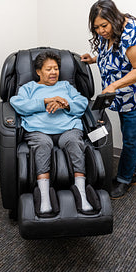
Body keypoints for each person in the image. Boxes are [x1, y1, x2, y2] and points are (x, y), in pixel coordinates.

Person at [81, 0, 136, 199]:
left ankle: (124, 180)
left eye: (104, 26)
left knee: (131, 139)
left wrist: (112, 85)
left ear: (113, 18)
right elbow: (117, 55)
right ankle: (133, 173)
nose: (101, 31)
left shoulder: (135, 34)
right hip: (124, 95)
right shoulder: (111, 31)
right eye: (96, 28)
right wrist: (95, 59)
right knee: (130, 135)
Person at [10, 51, 93, 214]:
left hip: (67, 128)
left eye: (56, 68)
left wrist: (66, 104)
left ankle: (81, 193)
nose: (54, 72)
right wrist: (45, 102)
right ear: (38, 71)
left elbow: (82, 102)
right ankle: (44, 196)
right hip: (38, 130)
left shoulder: (66, 87)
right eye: (48, 69)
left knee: (75, 142)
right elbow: (18, 104)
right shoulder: (29, 88)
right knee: (43, 144)